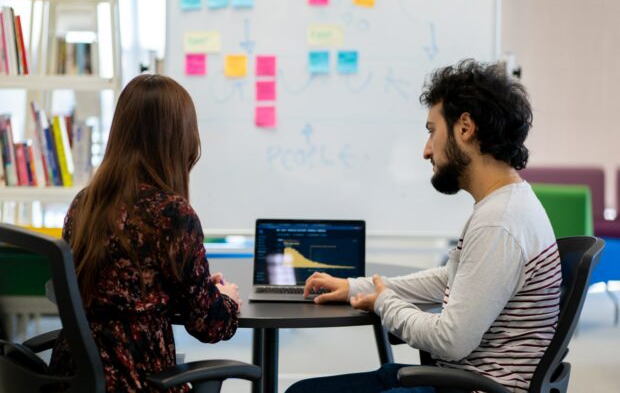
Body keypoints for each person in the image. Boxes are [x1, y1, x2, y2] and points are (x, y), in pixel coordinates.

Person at [287, 59, 560, 393]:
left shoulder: (499, 223)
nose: (426, 150)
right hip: (459, 380)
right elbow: (451, 279)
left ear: (465, 128)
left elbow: (451, 340)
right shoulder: (506, 205)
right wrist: (359, 287)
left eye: (432, 131)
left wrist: (384, 302)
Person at [49, 74, 242, 393]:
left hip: (73, 381)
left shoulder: (85, 203)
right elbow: (209, 325)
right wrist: (225, 301)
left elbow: (125, 291)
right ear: (180, 139)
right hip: (138, 384)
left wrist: (194, 287)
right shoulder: (173, 214)